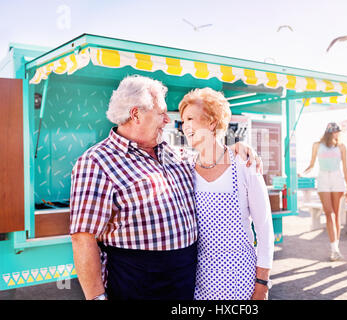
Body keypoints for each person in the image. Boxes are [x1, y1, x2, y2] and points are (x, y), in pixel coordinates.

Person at [69, 75, 260, 300]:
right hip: (136, 284)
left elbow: (212, 158)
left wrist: (235, 148)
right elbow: (83, 238)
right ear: (136, 114)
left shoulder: (173, 154)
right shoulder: (96, 162)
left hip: (185, 282)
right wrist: (97, 298)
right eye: (161, 113)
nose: (168, 121)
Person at [179, 88, 274, 300]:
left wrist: (262, 284)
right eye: (183, 121)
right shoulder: (185, 166)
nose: (185, 126)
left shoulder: (244, 164)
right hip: (200, 279)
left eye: (191, 119)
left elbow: (264, 228)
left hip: (241, 279)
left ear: (212, 122)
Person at [302, 122, 347, 261]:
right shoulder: (317, 145)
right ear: (329, 132)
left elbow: (346, 168)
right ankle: (334, 249)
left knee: (336, 216)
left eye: (338, 132)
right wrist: (302, 173)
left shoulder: (341, 147)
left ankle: (336, 247)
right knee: (329, 213)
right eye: (335, 131)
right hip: (323, 178)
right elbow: (311, 165)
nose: (337, 134)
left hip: (337, 179)